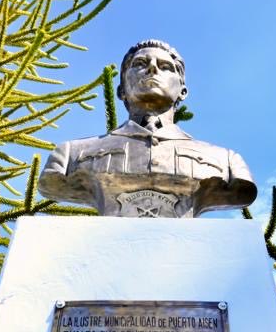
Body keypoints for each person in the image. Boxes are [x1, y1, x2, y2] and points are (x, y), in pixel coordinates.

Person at [39, 39, 257, 217]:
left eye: (165, 67)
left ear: (183, 91)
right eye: (140, 64)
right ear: (122, 89)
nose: (152, 68)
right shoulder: (71, 155)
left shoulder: (226, 160)